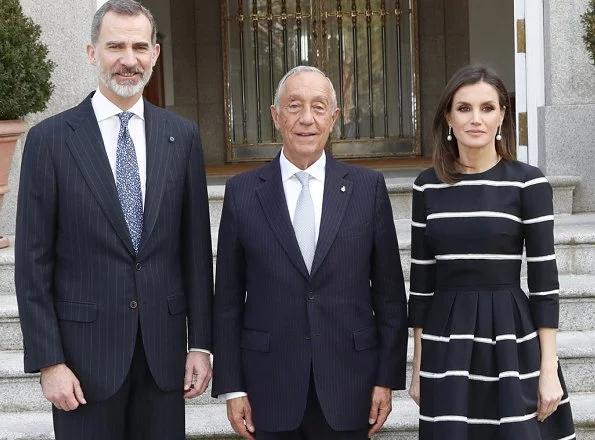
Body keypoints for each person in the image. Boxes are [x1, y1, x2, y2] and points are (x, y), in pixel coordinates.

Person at [14, 1, 213, 439]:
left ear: (155, 54)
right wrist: (50, 361)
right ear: (91, 53)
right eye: (115, 46)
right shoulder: (49, 141)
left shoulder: (181, 136)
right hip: (82, 367)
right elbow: (32, 264)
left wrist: (200, 344)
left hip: (163, 360)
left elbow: (196, 252)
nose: (129, 59)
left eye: (140, 46)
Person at [212, 65, 408, 440]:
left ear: (334, 118)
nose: (306, 119)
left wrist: (386, 379)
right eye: (294, 106)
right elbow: (228, 300)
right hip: (269, 385)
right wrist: (233, 387)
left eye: (319, 107)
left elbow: (389, 295)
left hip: (350, 384)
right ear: (275, 115)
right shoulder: (243, 192)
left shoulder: (368, 189)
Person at [407, 64, 576, 439]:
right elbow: (420, 283)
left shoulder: (528, 182)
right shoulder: (426, 187)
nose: (476, 119)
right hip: (447, 340)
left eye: (487, 108)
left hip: (510, 335)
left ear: (502, 115)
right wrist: (418, 366)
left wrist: (549, 368)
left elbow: (545, 282)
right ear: (448, 117)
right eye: (464, 108)